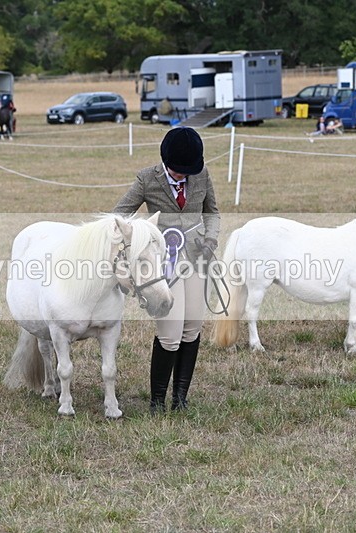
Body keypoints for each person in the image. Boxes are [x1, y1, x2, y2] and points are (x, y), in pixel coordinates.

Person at [114, 127, 220, 413]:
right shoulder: (147, 178)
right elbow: (120, 215)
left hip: (197, 259)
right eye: (176, 170)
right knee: (171, 334)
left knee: (192, 328)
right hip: (164, 264)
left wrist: (211, 239)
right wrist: (137, 240)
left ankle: (181, 397)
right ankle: (157, 400)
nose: (181, 176)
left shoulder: (202, 174)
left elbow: (212, 211)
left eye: (186, 171)